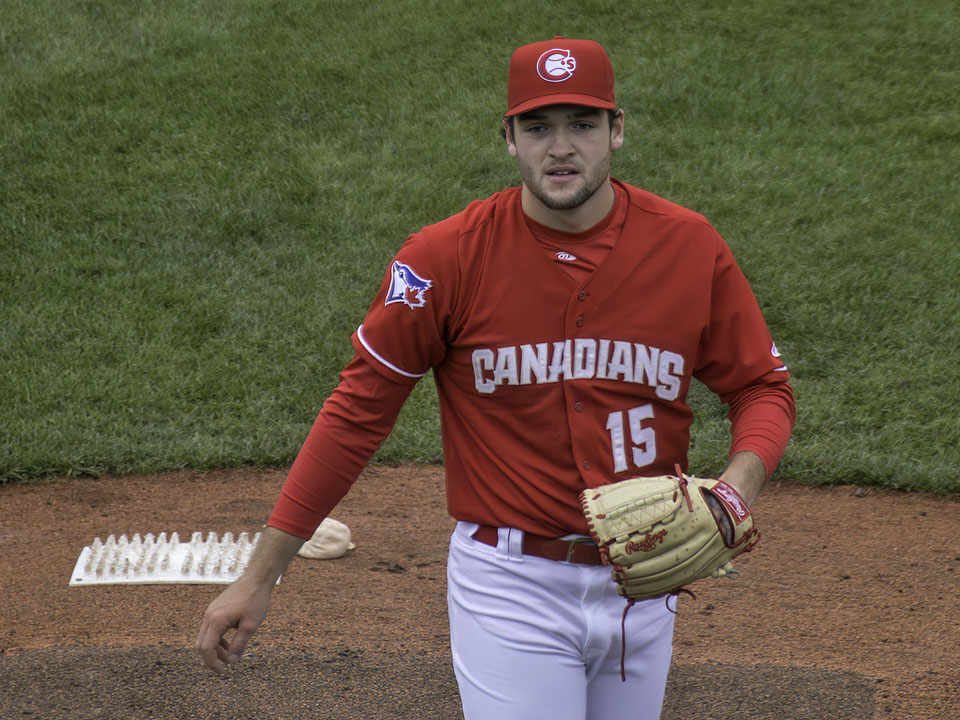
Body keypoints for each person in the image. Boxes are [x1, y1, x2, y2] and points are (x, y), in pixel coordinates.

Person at [195, 37, 796, 720]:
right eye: (538, 128)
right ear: (509, 139)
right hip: (512, 589)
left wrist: (736, 491)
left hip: (646, 582)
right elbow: (357, 412)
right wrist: (261, 574)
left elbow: (762, 388)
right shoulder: (445, 259)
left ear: (617, 130)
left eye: (582, 125)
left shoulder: (689, 248)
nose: (560, 147)